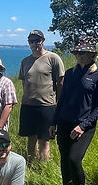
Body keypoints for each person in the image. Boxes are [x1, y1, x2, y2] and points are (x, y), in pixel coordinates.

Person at [53, 36, 98, 185]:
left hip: (84, 125)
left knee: (74, 158)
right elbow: (62, 99)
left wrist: (83, 126)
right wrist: (53, 122)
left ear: (92, 55)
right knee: (64, 158)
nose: (80, 55)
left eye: (84, 53)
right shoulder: (70, 74)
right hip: (64, 122)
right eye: (77, 52)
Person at [18, 29, 65, 163]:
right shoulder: (25, 61)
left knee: (44, 140)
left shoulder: (53, 58)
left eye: (37, 40)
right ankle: (31, 166)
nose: (34, 43)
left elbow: (60, 80)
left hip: (46, 105)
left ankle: (43, 167)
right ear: (29, 43)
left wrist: (59, 101)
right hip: (28, 105)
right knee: (31, 138)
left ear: (43, 41)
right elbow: (24, 82)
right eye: (31, 41)